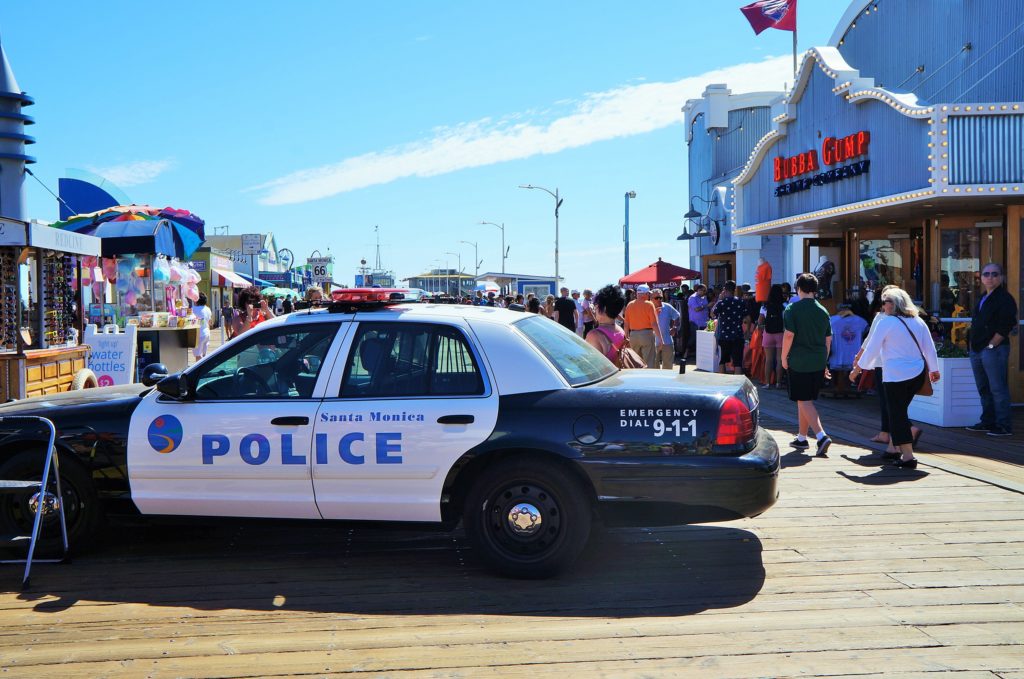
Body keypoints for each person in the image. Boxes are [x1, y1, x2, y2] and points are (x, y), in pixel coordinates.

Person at [854, 288, 940, 469]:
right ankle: (894, 448)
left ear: (894, 304)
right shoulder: (918, 321)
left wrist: (858, 369)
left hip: (895, 376)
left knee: (897, 415)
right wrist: (934, 369)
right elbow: (929, 349)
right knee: (899, 412)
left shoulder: (886, 322)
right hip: (916, 374)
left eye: (885, 302)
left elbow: (872, 348)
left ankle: (908, 456)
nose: (883, 305)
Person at [782, 273, 833, 457]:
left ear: (799, 288)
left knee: (803, 399)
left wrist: (783, 357)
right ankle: (802, 438)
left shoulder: (792, 309)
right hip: (818, 359)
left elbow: (789, 335)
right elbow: (828, 339)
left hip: (799, 359)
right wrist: (825, 361)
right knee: (805, 399)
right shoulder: (823, 310)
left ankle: (821, 436)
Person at [966, 263, 1017, 437]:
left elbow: (1006, 325)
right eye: (986, 274)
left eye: (995, 274)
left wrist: (991, 345)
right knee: (983, 388)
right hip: (977, 349)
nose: (990, 277)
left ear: (1001, 277)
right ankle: (988, 421)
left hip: (993, 350)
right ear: (981, 277)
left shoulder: (1005, 298)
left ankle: (1003, 425)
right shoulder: (982, 297)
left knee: (997, 388)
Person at [622, 284, 664, 368]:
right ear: (645, 294)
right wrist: (660, 339)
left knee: (635, 362)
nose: (649, 295)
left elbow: (626, 324)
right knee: (649, 362)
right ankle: (647, 380)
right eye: (648, 293)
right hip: (647, 334)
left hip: (633, 335)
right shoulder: (649, 304)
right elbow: (654, 324)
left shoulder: (630, 304)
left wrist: (626, 337)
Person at [585, 285, 628, 367]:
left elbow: (593, 367)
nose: (594, 308)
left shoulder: (594, 335)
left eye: (596, 305)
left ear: (603, 308)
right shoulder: (621, 331)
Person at [711, 280, 747, 375]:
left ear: (724, 289)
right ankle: (737, 385)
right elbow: (748, 318)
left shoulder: (722, 302)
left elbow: (712, 313)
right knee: (738, 363)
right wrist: (746, 333)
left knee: (722, 361)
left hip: (724, 336)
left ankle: (722, 385)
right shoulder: (741, 302)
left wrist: (719, 299)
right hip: (738, 335)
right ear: (735, 290)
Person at [758, 284, 786, 388]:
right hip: (780, 334)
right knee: (780, 359)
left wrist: (762, 330)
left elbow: (760, 322)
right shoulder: (785, 306)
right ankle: (778, 383)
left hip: (768, 333)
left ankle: (767, 383)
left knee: (769, 359)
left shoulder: (764, 307)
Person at [651, 289, 680, 369]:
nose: (659, 299)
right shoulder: (648, 308)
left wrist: (674, 327)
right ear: (651, 298)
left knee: (668, 366)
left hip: (667, 340)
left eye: (661, 297)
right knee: (653, 366)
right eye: (657, 298)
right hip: (653, 342)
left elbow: (677, 316)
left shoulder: (667, 306)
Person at [687, 284, 710, 358]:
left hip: (704, 322)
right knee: (693, 339)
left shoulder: (704, 297)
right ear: (698, 290)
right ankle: (685, 354)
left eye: (705, 291)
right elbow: (696, 309)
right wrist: (706, 306)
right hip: (695, 322)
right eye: (702, 290)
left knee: (702, 340)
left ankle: (700, 356)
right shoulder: (692, 298)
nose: (704, 292)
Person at [191, 292, 213, 360]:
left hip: (198, 334)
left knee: (198, 356)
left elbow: (191, 321)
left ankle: (198, 370)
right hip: (206, 333)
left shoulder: (193, 309)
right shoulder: (208, 309)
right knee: (204, 355)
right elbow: (210, 322)